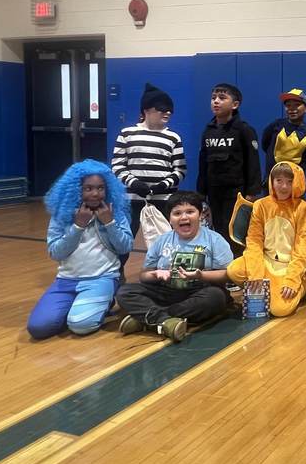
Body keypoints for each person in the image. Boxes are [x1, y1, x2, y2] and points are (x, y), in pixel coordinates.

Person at [27, 160, 133, 340]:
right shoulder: (61, 215)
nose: (95, 194)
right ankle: (77, 305)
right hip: (65, 281)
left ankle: (102, 302)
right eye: (88, 188)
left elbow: (125, 247)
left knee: (80, 325)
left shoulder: (114, 212)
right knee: (38, 328)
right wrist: (77, 226)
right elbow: (56, 253)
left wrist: (109, 223)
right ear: (77, 190)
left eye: (100, 188)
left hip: (102, 278)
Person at [117, 191, 234, 342]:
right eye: (177, 213)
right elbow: (143, 275)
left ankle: (148, 319)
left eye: (190, 212)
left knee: (216, 297)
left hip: (199, 291)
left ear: (200, 215)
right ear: (170, 219)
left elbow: (227, 274)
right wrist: (154, 274)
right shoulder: (162, 240)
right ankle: (165, 321)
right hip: (166, 291)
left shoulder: (214, 240)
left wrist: (201, 275)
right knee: (125, 291)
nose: (184, 217)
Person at [227, 162, 306, 318]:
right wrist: (256, 273)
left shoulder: (302, 207)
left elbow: (303, 246)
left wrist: (292, 279)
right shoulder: (261, 205)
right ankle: (267, 287)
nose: (284, 186)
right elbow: (254, 240)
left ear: (297, 182)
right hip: (266, 260)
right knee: (234, 271)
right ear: (271, 181)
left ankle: (305, 280)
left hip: (288, 265)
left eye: (289, 181)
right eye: (279, 180)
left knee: (280, 310)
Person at [111, 83, 186, 235]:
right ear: (146, 110)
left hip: (164, 198)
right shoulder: (126, 134)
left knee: (165, 241)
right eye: (161, 108)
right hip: (131, 198)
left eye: (170, 109)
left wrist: (164, 185)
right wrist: (134, 183)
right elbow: (117, 166)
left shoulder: (173, 137)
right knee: (124, 239)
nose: (167, 112)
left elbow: (180, 169)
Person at [196, 83, 261, 254]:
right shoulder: (208, 131)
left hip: (236, 192)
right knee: (217, 230)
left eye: (222, 98)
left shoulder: (244, 130)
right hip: (214, 192)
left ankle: (237, 268)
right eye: (213, 98)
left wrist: (251, 193)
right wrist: (201, 193)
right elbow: (203, 163)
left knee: (236, 232)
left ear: (235, 104)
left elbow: (253, 162)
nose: (216, 101)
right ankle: (221, 265)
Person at [262, 88, 306, 176]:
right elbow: (265, 144)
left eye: (297, 105)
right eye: (288, 105)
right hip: (271, 180)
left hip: (296, 182)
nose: (292, 109)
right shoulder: (276, 126)